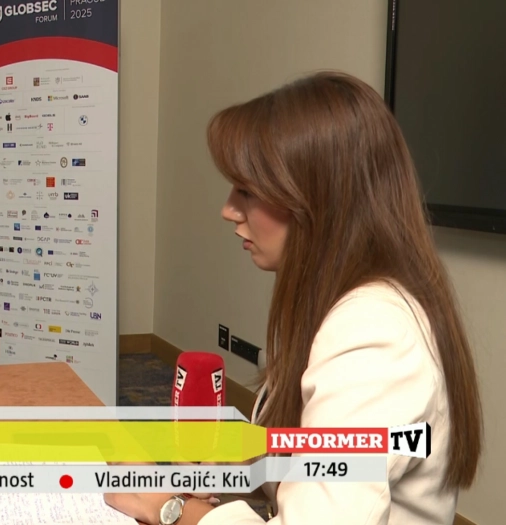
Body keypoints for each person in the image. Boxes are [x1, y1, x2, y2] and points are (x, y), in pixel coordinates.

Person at [105, 71, 483, 524]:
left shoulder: (375, 335)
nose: (228, 210)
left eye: (247, 191)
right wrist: (237, 460)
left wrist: (170, 508)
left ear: (315, 200)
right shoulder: (338, 304)